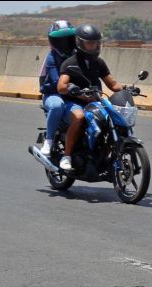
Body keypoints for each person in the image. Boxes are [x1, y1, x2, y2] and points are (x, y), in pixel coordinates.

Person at [56, 24, 124, 172]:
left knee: (113, 116)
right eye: (89, 43)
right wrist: (72, 89)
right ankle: (66, 156)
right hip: (74, 102)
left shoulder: (99, 62)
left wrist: (127, 89)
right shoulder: (71, 62)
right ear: (80, 43)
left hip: (95, 101)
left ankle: (106, 153)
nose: (93, 46)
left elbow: (112, 84)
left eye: (95, 43)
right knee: (79, 118)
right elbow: (61, 86)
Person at [39, 19, 77, 157]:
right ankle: (49, 140)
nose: (64, 42)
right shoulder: (51, 57)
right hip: (54, 94)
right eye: (60, 40)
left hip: (74, 93)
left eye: (67, 39)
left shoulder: (78, 54)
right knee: (57, 106)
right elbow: (57, 82)